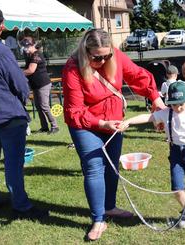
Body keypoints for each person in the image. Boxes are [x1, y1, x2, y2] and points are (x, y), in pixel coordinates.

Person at [62, 29, 166, 241]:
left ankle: (109, 207)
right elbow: (74, 111)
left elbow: (137, 75)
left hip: (114, 122)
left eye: (106, 56)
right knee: (94, 167)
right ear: (85, 51)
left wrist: (155, 97)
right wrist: (102, 123)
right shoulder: (73, 68)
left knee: (111, 167)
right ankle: (98, 220)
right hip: (86, 125)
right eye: (96, 57)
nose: (102, 60)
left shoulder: (116, 56)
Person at [0, 6, 49, 219]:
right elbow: (19, 83)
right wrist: (23, 96)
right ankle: (20, 205)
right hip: (7, 115)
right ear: (2, 26)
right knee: (13, 161)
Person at [120, 81, 185, 231]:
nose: (178, 107)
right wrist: (129, 121)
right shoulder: (166, 113)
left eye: (181, 104)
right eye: (174, 104)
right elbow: (147, 117)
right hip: (175, 153)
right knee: (177, 187)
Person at [21, 36, 59, 134]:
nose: (25, 48)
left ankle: (55, 126)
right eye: (24, 46)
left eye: (27, 46)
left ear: (33, 45)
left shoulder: (36, 55)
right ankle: (44, 127)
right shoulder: (29, 55)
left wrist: (17, 72)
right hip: (35, 85)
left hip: (43, 84)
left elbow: (30, 70)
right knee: (38, 106)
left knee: (44, 106)